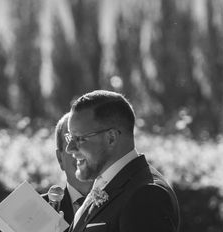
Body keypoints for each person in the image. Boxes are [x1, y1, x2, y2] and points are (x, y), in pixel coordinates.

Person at [66, 90, 180, 232]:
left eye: (79, 138)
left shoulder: (146, 195)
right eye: (69, 137)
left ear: (111, 138)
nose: (69, 148)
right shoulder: (108, 183)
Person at [44, 112, 93, 224]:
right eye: (70, 139)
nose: (81, 150)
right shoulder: (38, 211)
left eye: (85, 139)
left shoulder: (122, 203)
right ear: (60, 159)